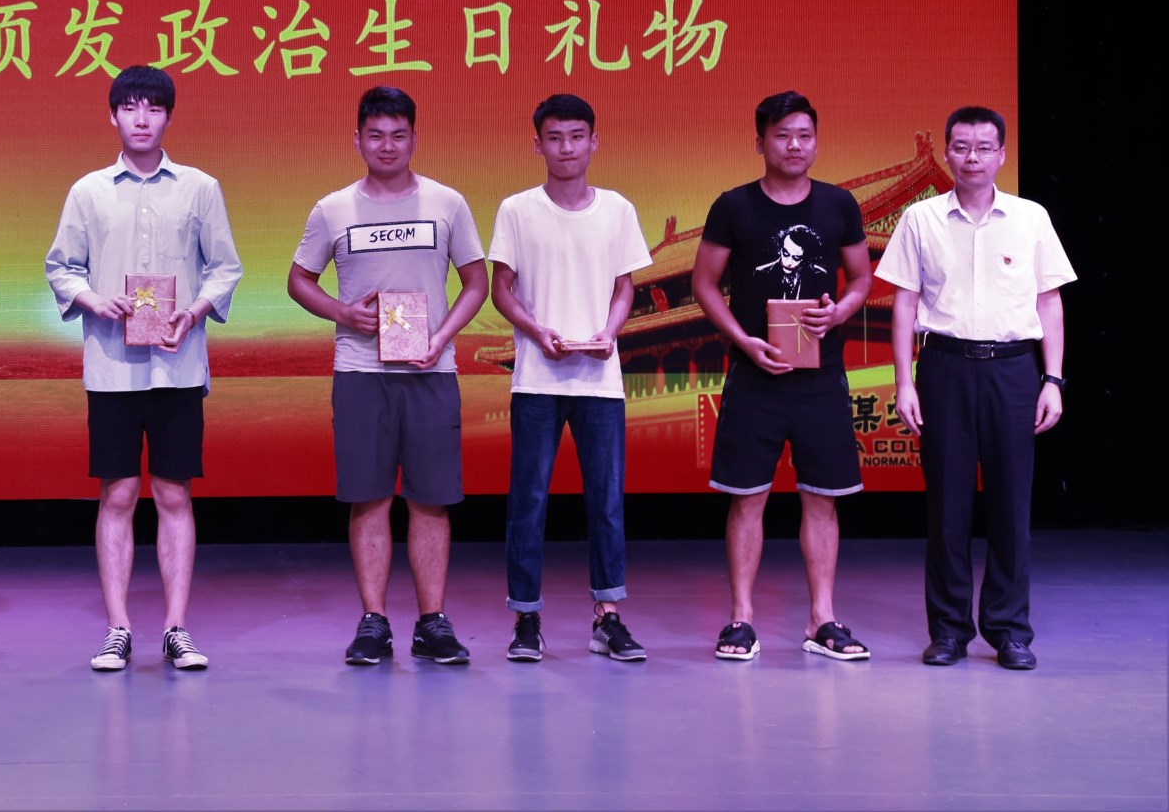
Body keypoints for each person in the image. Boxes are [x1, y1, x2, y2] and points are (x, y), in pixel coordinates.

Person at [45, 66, 243, 672]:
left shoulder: (200, 188)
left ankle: (177, 628)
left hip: (178, 366)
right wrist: (93, 300)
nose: (140, 118)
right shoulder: (88, 191)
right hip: (112, 367)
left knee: (174, 493)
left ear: (168, 117)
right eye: (129, 107)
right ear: (112, 115)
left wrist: (195, 310)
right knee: (119, 493)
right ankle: (118, 629)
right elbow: (61, 267)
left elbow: (225, 267)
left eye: (152, 108)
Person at [288, 86, 488, 666]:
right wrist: (343, 313)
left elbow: (476, 281)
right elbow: (299, 280)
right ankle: (374, 622)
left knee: (431, 500)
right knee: (369, 498)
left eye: (399, 135)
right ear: (357, 140)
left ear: (414, 139)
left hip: (430, 371)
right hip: (360, 372)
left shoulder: (447, 203)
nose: (387, 145)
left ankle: (432, 622)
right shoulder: (333, 209)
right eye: (375, 135)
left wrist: (441, 337)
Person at [876, 107, 1074, 670]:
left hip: (1014, 371)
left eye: (984, 148)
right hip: (945, 367)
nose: (972, 158)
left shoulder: (1031, 218)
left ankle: (1010, 631)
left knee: (1011, 505)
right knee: (947, 507)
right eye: (961, 147)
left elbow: (1049, 302)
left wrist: (1052, 380)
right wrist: (903, 382)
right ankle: (948, 630)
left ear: (1002, 155)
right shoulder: (920, 219)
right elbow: (905, 302)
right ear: (946, 153)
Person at [692, 90, 874, 662]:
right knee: (747, 500)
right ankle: (741, 620)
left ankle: (822, 620)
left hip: (821, 378)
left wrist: (841, 312)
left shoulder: (839, 204)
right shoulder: (734, 206)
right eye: (782, 135)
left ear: (816, 142)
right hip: (755, 377)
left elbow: (861, 279)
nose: (794, 145)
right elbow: (703, 284)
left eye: (804, 135)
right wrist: (741, 340)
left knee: (822, 500)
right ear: (760, 142)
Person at [487, 94, 655, 664]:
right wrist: (537, 331)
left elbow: (625, 286)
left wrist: (610, 332)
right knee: (528, 500)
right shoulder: (517, 209)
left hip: (600, 379)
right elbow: (501, 288)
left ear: (594, 142)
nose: (566, 147)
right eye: (555, 137)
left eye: (577, 136)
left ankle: (608, 617)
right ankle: (526, 619)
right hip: (537, 377)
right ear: (537, 144)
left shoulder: (617, 210)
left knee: (606, 501)